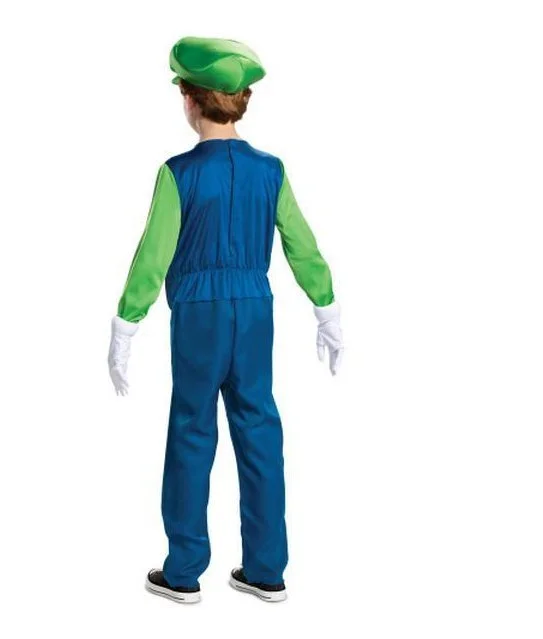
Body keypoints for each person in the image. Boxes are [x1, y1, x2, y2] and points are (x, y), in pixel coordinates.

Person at [108, 36, 344, 604]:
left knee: (192, 430)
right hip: (256, 309)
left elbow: (153, 254)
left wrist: (125, 324)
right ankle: (266, 570)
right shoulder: (272, 171)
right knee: (259, 428)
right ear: (240, 103)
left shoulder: (178, 173)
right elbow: (301, 244)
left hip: (198, 314)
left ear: (189, 100)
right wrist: (326, 307)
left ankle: (184, 570)